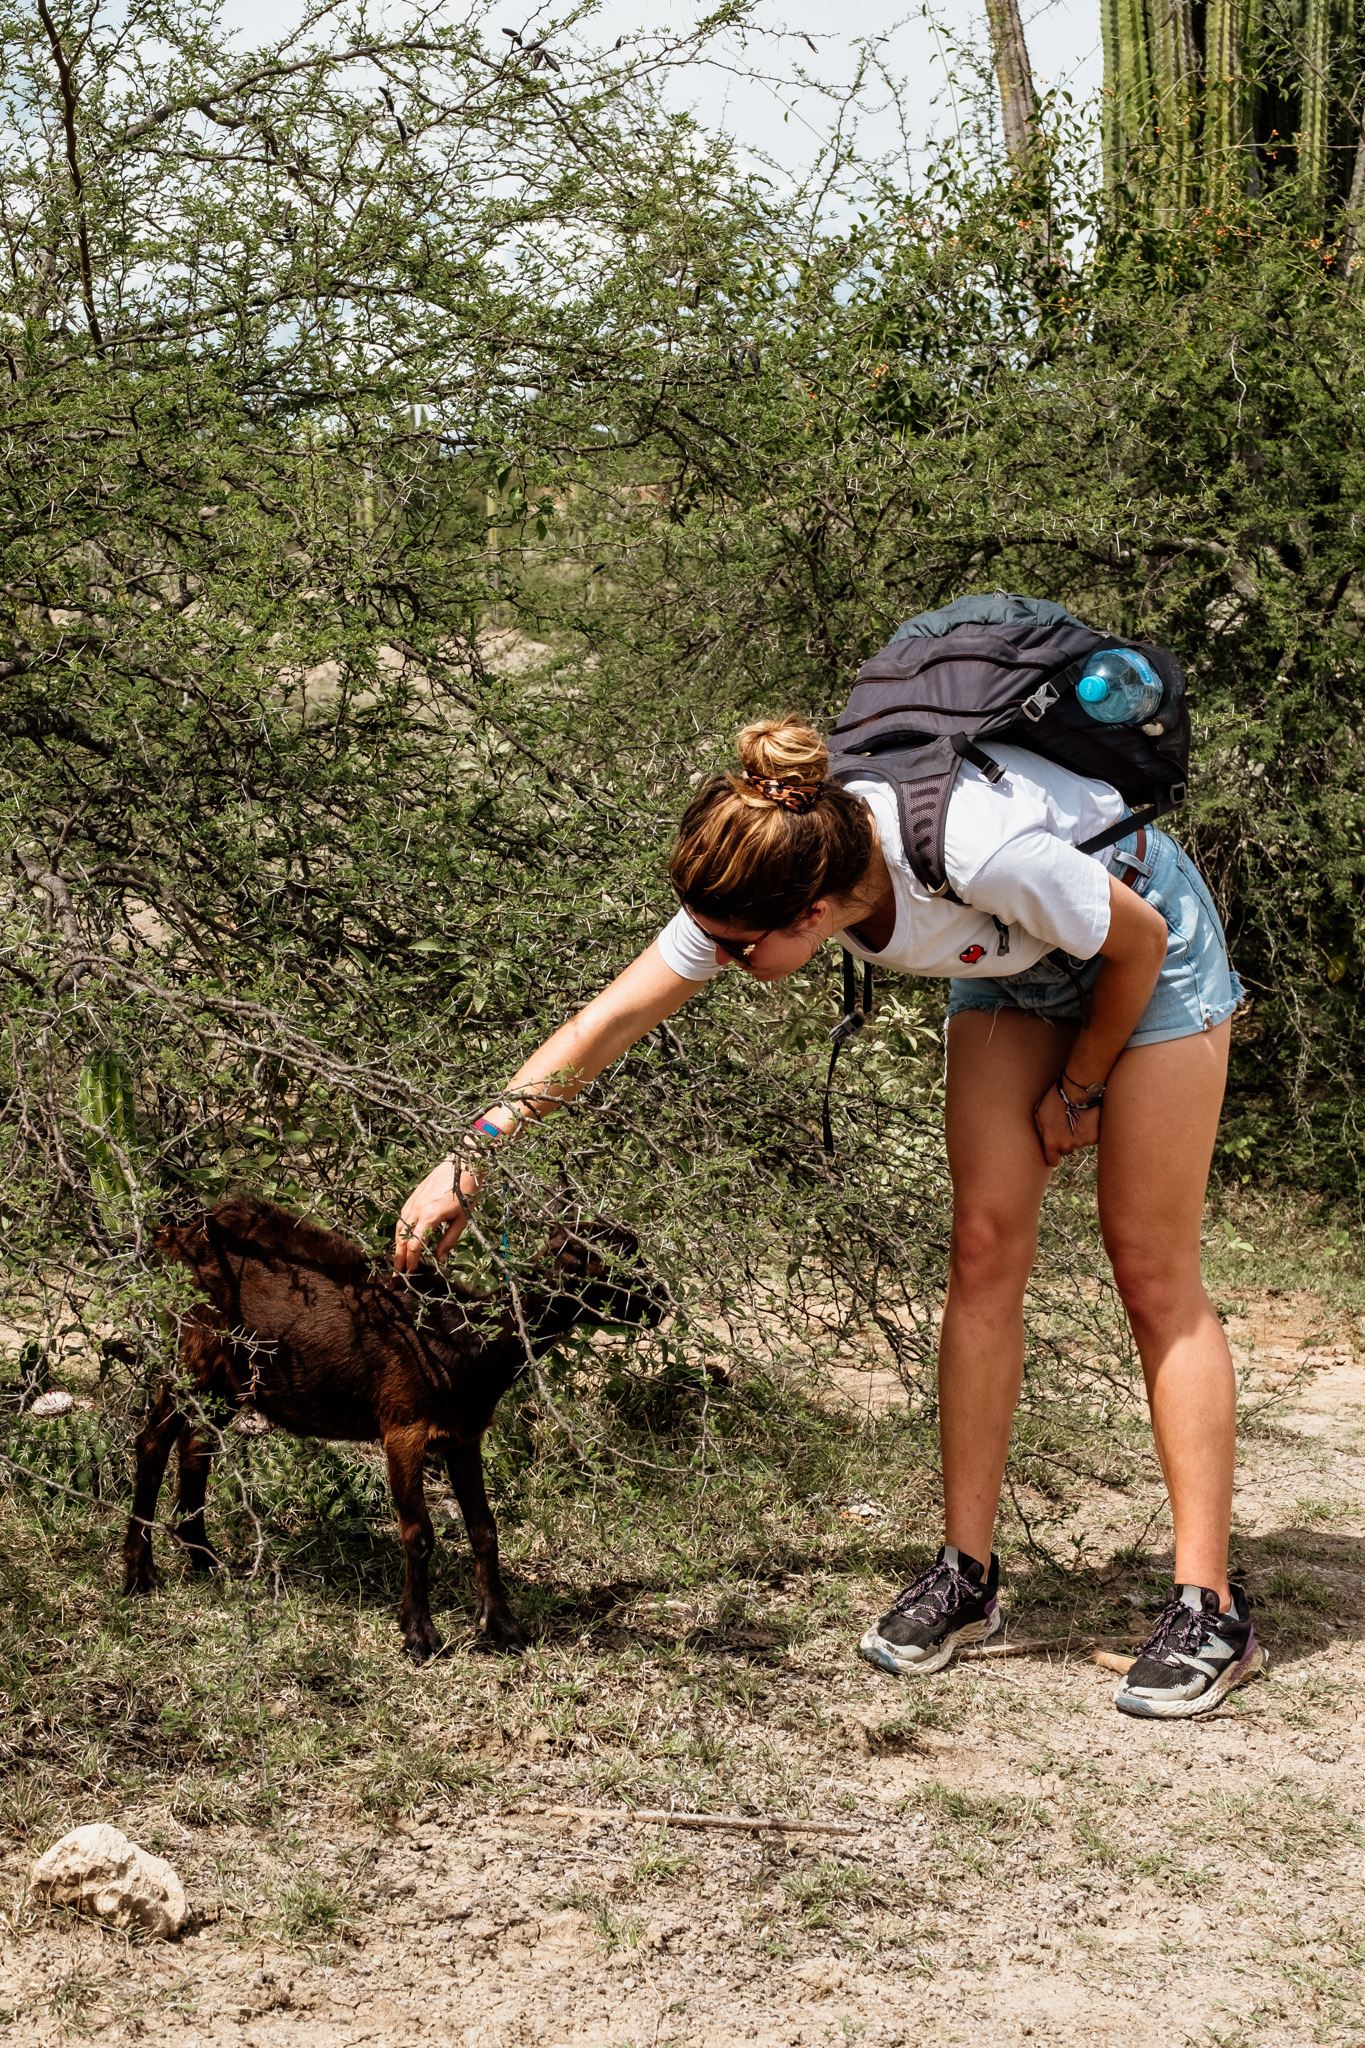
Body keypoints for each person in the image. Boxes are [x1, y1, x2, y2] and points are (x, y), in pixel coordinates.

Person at [396, 715, 1263, 1721]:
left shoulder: (976, 847)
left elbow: (1138, 942)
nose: (714, 959)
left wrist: (1079, 1087)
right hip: (1019, 959)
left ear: (811, 916)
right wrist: (472, 1153)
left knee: (1149, 1266)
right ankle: (965, 1574)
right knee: (983, 1248)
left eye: (731, 948)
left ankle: (1210, 1610)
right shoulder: (778, 862)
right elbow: (608, 1021)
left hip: (1145, 944)